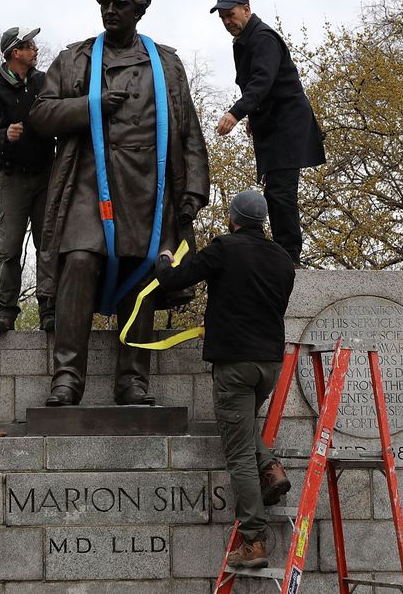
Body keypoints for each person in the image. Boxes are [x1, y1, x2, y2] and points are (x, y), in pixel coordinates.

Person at [30, 0, 209, 407]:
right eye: (105, 2)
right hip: (88, 182)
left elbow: (188, 129)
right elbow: (40, 115)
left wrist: (193, 192)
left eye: (121, 4)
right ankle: (67, 377)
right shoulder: (76, 59)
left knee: (140, 272)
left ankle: (132, 381)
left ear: (139, 10)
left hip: (148, 187)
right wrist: (90, 105)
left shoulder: (165, 63)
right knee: (79, 261)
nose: (111, 10)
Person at [154, 188, 295, 569]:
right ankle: (271, 467)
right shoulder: (282, 258)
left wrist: (164, 261)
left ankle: (254, 541)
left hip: (234, 364)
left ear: (233, 219)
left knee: (238, 455)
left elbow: (177, 279)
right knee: (245, 425)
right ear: (262, 222)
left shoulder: (225, 247)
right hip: (269, 364)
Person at [211, 0, 325, 266]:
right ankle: (284, 253)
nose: (228, 21)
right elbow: (261, 87)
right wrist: (255, 116)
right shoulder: (243, 41)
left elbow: (262, 81)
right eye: (223, 17)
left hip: (287, 125)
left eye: (232, 14)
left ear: (246, 9)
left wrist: (237, 113)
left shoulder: (262, 38)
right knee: (275, 190)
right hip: (274, 123)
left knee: (281, 192)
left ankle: (289, 258)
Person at [0, 26, 56, 333]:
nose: (35, 49)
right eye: (30, 45)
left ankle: (50, 309)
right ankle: (5, 310)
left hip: (47, 176)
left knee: (48, 244)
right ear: (15, 53)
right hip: (12, 180)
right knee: (8, 248)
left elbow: (61, 109)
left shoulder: (44, 81)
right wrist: (3, 135)